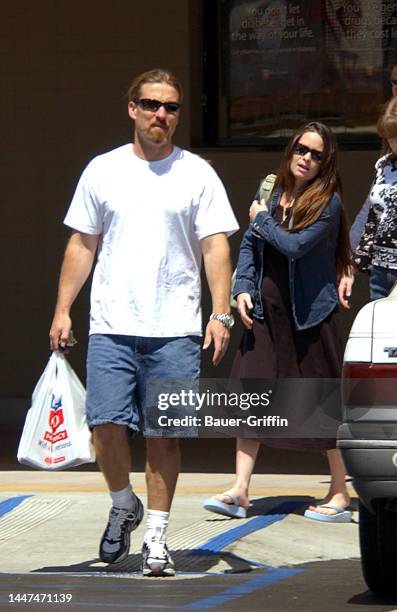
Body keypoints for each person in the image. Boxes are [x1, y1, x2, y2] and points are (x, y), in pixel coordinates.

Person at [49, 68, 238, 576]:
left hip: (175, 328)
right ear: (132, 108)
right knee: (105, 427)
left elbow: (215, 244)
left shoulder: (196, 172)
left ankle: (155, 535)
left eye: (171, 107)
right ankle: (122, 502)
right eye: (152, 104)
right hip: (112, 324)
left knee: (164, 435)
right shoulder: (102, 170)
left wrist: (220, 313)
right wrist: (64, 308)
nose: (162, 115)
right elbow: (82, 243)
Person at [203, 121, 353, 523]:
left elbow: (296, 246)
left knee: (321, 401)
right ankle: (240, 490)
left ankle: (339, 490)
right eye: (301, 149)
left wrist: (261, 219)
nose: (306, 158)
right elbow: (250, 247)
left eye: (316, 154)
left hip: (309, 316)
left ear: (326, 162)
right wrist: (243, 289)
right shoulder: (269, 190)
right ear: (290, 150)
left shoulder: (328, 201)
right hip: (266, 314)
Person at [352, 96, 397, 298]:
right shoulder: (383, 166)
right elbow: (372, 219)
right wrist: (353, 263)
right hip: (380, 270)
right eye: (390, 136)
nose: (394, 142)